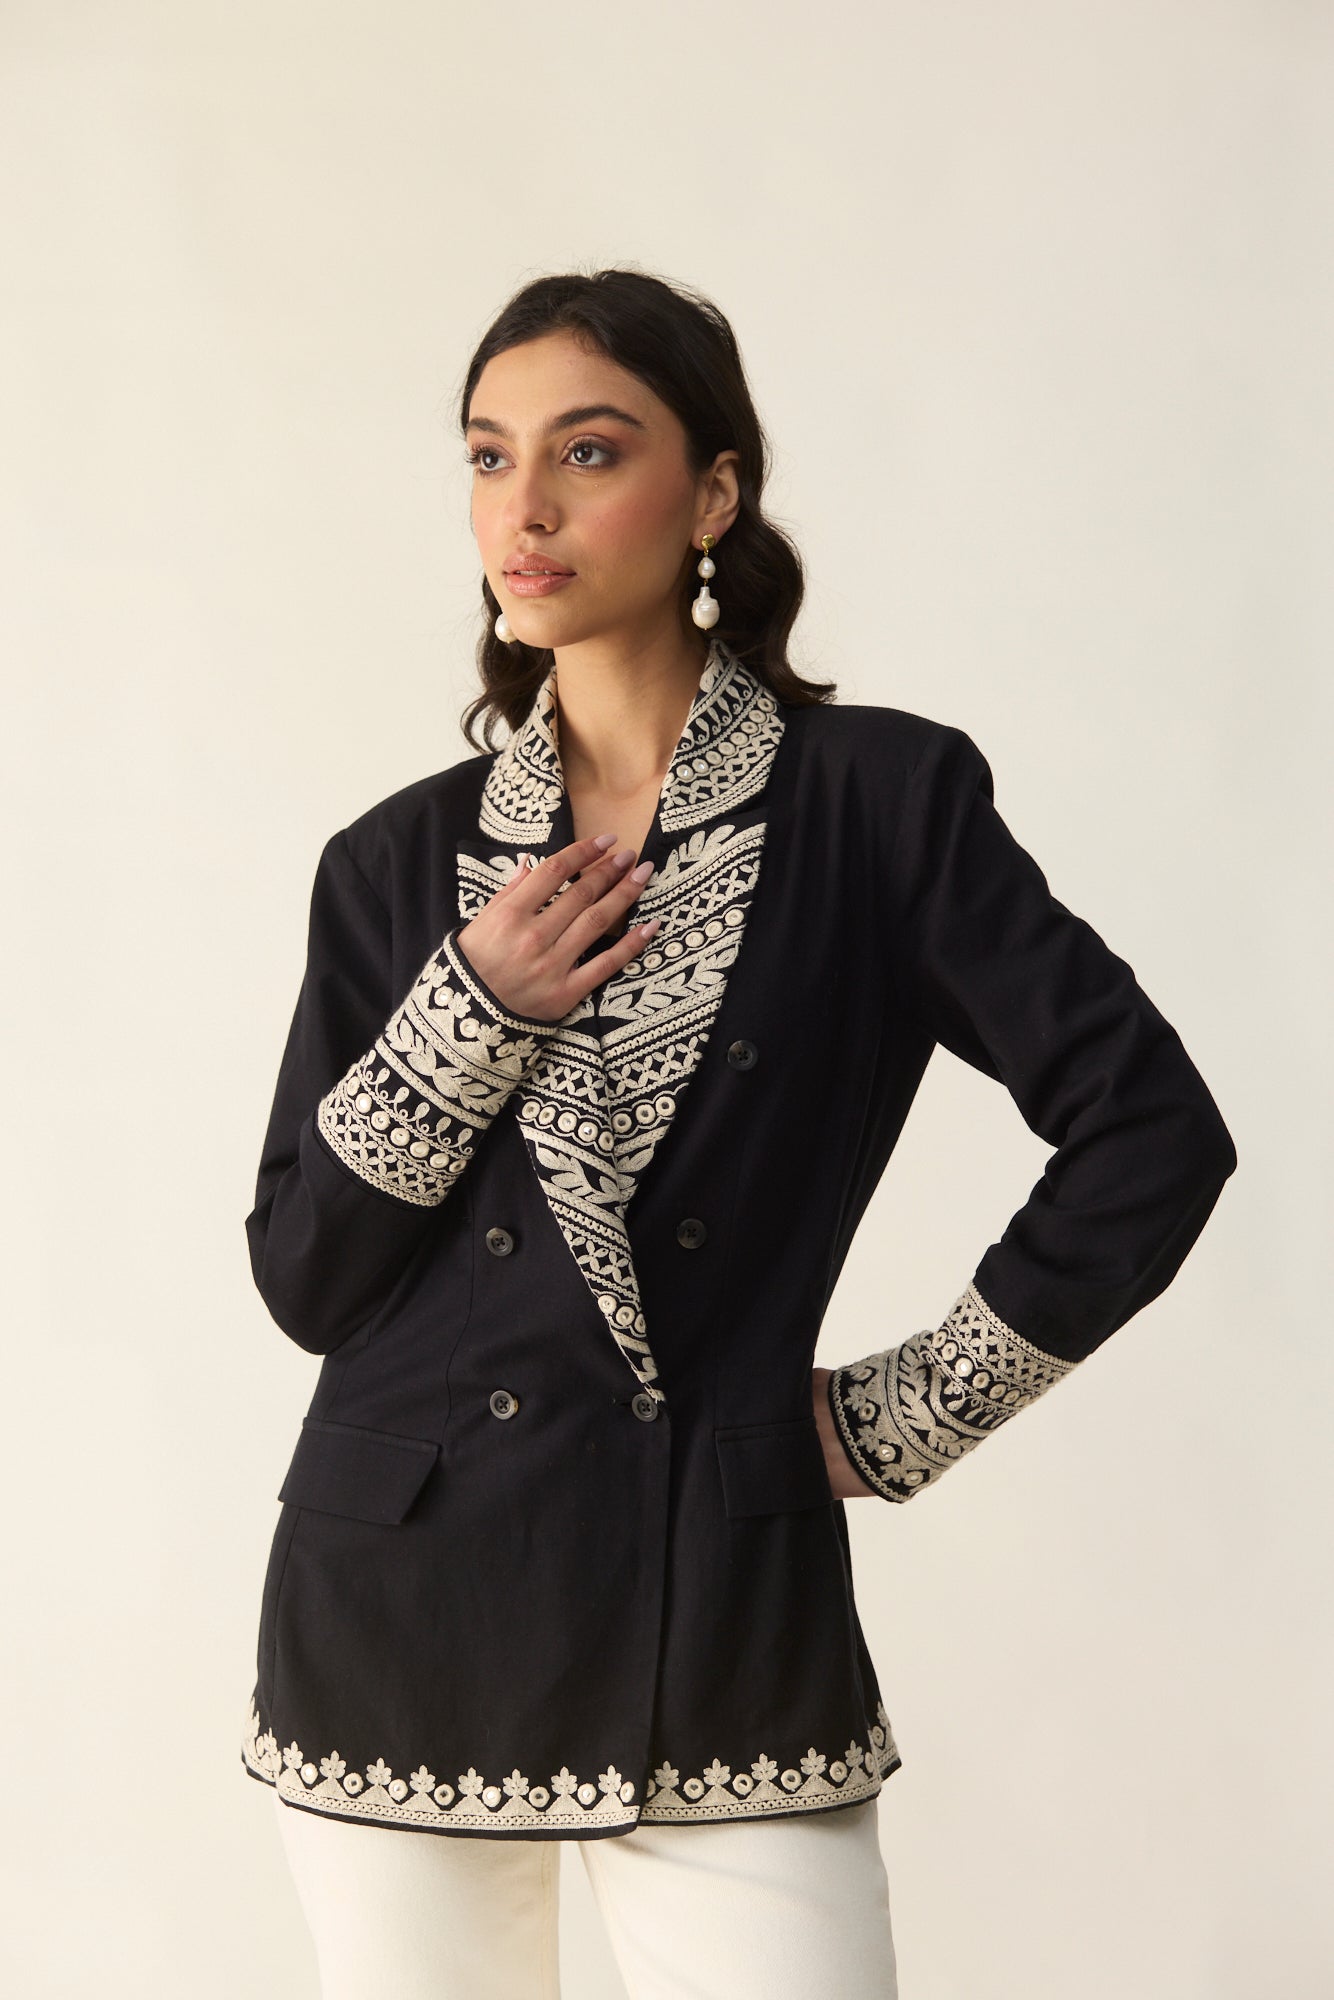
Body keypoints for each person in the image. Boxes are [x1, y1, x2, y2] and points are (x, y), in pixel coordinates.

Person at [240, 268, 1238, 1999]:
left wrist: (904, 1414)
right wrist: (472, 1007)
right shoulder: (394, 865)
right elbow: (305, 1280)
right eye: (487, 456)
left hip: (716, 1604)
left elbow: (1151, 1128)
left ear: (712, 495)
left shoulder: (877, 803)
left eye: (587, 451)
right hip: (399, 1607)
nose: (524, 508)